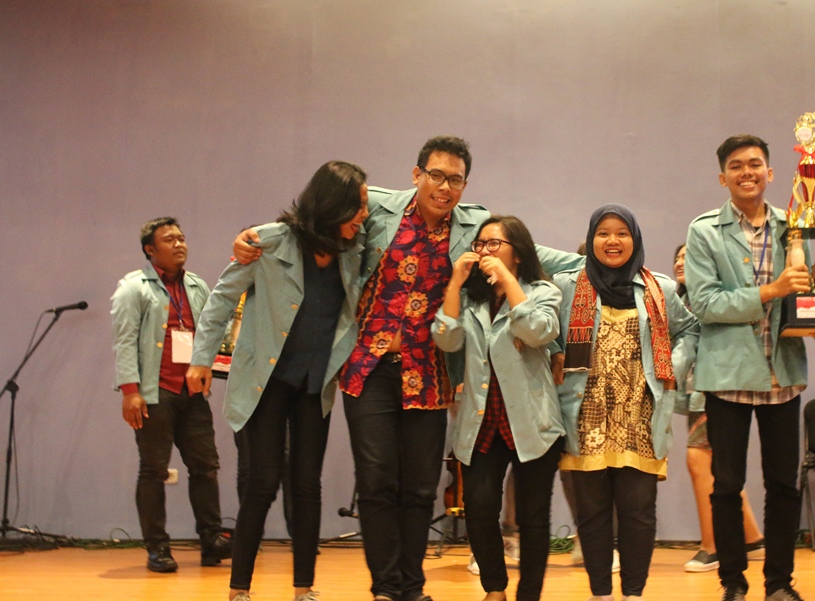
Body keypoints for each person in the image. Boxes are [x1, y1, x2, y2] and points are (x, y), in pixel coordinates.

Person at [232, 137, 583, 601]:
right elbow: (316, 214)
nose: (444, 187)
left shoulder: (473, 225)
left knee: (420, 487)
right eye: (436, 175)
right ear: (417, 175)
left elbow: (551, 262)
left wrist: (557, 340)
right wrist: (252, 237)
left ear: (465, 184)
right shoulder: (377, 207)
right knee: (376, 482)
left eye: (455, 179)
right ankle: (385, 586)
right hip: (369, 367)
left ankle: (412, 586)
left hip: (431, 368)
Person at [187, 161, 370, 601]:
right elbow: (221, 299)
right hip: (265, 382)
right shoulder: (269, 242)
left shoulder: (354, 249)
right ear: (334, 205)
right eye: (358, 206)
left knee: (307, 486)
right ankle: (239, 589)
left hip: (314, 385)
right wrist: (201, 359)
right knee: (262, 482)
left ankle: (304, 589)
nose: (365, 214)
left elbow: (390, 204)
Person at [685, 134, 815, 601]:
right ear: (722, 177)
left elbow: (809, 295)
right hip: (728, 377)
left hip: (782, 374)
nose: (747, 172)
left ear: (770, 172)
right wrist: (770, 291)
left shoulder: (795, 224)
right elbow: (705, 304)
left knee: (784, 485)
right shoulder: (704, 231)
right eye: (736, 165)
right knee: (727, 485)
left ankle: (779, 583)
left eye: (755, 164)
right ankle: (733, 582)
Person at [555, 204, 699, 601]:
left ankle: (634, 593)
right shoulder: (567, 286)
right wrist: (553, 354)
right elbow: (548, 332)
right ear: (591, 240)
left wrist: (673, 364)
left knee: (638, 513)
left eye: (622, 233)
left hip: (640, 417)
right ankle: (600, 593)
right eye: (603, 233)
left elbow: (690, 330)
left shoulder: (659, 289)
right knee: (591, 515)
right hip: (584, 418)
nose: (612, 241)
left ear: (634, 239)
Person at [433, 216, 564, 601]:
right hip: (480, 421)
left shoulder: (542, 291)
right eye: (480, 244)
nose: (485, 251)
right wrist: (455, 283)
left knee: (533, 517)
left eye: (495, 244)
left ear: (517, 252)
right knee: (478, 507)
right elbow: (446, 339)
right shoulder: (471, 298)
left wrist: (507, 280)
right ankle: (495, 588)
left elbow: (537, 331)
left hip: (532, 422)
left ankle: (529, 594)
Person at [110, 217, 232, 573]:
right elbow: (124, 341)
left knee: (206, 467)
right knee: (153, 470)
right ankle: (158, 548)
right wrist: (130, 392)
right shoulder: (133, 288)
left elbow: (211, 332)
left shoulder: (197, 285)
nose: (179, 244)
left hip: (192, 393)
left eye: (181, 238)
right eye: (169, 239)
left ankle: (211, 540)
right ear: (150, 249)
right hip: (154, 393)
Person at [672, 243, 765, 573]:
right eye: (677, 258)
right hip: (695, 393)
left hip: (714, 389)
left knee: (699, 461)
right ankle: (751, 538)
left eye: (687, 257)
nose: (680, 262)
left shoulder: (710, 301)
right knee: (718, 469)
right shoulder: (681, 302)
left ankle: (712, 547)